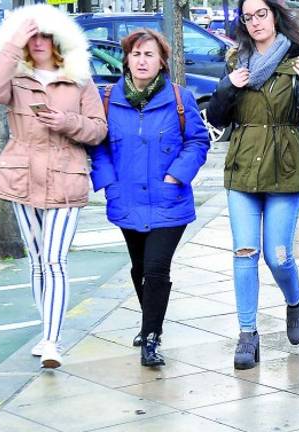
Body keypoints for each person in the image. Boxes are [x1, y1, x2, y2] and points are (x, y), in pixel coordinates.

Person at [0, 4, 108, 369]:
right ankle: (46, 331)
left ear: (58, 40)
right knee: (38, 261)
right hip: (21, 177)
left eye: (43, 34)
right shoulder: (15, 79)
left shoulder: (79, 80)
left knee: (54, 259)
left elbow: (98, 130)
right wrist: (10, 44)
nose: (36, 41)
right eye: (29, 35)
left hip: (66, 179)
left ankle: (53, 341)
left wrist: (65, 121)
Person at [206, 0, 299, 370]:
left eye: (262, 14)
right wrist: (228, 88)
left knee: (278, 255)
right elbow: (216, 117)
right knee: (245, 252)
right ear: (242, 22)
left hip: (284, 168)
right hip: (243, 167)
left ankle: (295, 302)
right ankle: (248, 334)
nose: (256, 22)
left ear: (275, 15)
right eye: (249, 16)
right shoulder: (236, 61)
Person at [88, 29, 210, 367]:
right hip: (126, 198)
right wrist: (109, 184)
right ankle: (150, 322)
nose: (142, 61)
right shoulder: (108, 98)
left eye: (150, 55)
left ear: (161, 62)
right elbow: (97, 146)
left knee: (156, 267)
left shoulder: (179, 98)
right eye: (137, 54)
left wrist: (176, 176)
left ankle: (152, 338)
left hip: (169, 199)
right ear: (126, 58)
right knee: (139, 267)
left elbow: (198, 141)